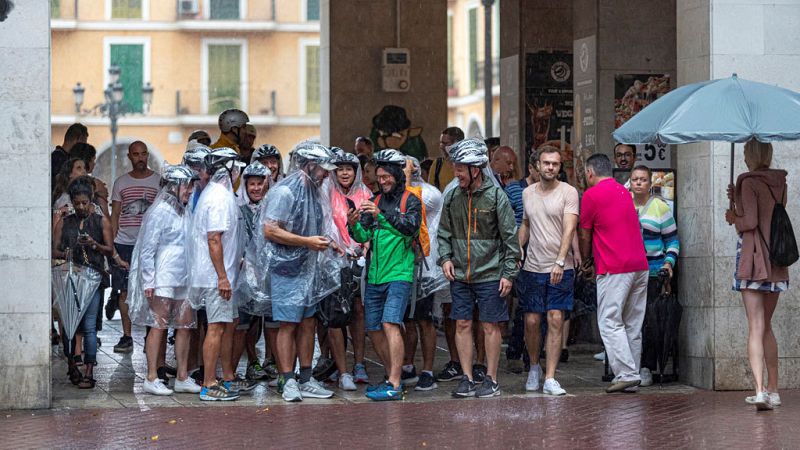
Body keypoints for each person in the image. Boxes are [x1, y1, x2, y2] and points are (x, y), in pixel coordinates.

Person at [438, 139, 520, 398]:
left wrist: (508, 273)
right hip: (460, 273)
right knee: (462, 322)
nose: (456, 175)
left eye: (460, 169)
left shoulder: (496, 197)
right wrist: (446, 258)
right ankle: (467, 377)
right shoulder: (452, 196)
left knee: (489, 325)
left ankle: (492, 379)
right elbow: (443, 233)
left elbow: (510, 239)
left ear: (476, 170)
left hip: (491, 273)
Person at [260, 141, 341, 402]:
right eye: (324, 169)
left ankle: (306, 378)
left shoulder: (316, 191)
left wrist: (331, 243)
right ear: (309, 166)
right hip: (286, 269)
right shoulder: (285, 192)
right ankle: (288, 379)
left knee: (308, 323)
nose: (328, 174)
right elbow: (270, 230)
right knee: (288, 324)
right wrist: (307, 242)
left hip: (309, 268)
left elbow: (315, 226)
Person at [347, 149, 422, 401]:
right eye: (379, 176)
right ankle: (392, 374)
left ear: (397, 175)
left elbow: (409, 229)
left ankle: (395, 383)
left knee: (391, 323)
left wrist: (383, 216)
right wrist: (352, 223)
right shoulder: (375, 200)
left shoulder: (410, 200)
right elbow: (363, 236)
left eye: (386, 176)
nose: (382, 180)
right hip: (375, 275)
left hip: (399, 273)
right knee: (373, 328)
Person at [127, 165, 203, 396]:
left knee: (185, 325)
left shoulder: (185, 210)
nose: (190, 190)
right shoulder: (159, 211)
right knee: (158, 326)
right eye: (187, 186)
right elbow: (147, 249)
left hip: (184, 277)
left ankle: (182, 376)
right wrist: (148, 281)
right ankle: (151, 376)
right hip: (162, 277)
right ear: (174, 186)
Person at [725, 140, 789, 411]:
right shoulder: (780, 182)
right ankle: (774, 390)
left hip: (752, 259)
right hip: (776, 261)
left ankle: (760, 390)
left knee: (756, 325)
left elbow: (749, 222)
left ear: (749, 155)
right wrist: (737, 197)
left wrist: (733, 215)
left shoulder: (747, 180)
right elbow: (770, 215)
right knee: (767, 327)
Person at [578, 153, 649, 393]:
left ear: (590, 173)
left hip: (614, 266)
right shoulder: (623, 191)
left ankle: (627, 374)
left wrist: (586, 260)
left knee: (609, 320)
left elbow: (585, 234)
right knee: (632, 323)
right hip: (640, 264)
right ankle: (632, 374)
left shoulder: (591, 195)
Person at [517, 146, 579, 396]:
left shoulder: (569, 192)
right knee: (531, 321)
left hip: (561, 266)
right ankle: (534, 366)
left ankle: (551, 377)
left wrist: (560, 261)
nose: (551, 167)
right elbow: (526, 223)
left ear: (560, 167)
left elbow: (569, 228)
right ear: (537, 166)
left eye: (555, 164)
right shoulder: (527, 193)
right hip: (532, 266)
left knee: (555, 318)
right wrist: (519, 247)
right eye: (546, 163)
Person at [187, 147, 246, 401]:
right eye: (236, 169)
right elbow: (214, 239)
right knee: (216, 327)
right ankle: (209, 384)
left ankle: (225, 378)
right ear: (227, 169)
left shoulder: (216, 193)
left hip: (219, 274)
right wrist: (222, 276)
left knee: (224, 325)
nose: (238, 174)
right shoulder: (219, 197)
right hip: (215, 277)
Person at [52, 176, 114, 389]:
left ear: (90, 201)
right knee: (70, 325)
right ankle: (72, 364)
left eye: (84, 203)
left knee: (89, 327)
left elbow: (110, 249)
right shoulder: (65, 222)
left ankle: (89, 370)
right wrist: (66, 252)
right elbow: (54, 249)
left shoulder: (100, 220)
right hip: (71, 278)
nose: (80, 207)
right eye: (77, 203)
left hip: (94, 278)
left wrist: (94, 244)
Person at [322, 150, 373, 390]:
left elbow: (373, 228)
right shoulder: (325, 191)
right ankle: (341, 370)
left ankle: (359, 363)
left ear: (356, 171)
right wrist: (335, 246)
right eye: (339, 168)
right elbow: (322, 224)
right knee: (334, 315)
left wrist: (364, 247)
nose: (344, 172)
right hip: (332, 260)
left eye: (349, 168)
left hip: (359, 260)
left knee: (358, 311)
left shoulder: (366, 194)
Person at [630, 165, 680, 387]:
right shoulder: (623, 205)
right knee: (628, 319)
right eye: (634, 179)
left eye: (642, 179)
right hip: (627, 270)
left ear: (650, 184)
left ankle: (646, 366)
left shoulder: (660, 207)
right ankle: (627, 365)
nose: (638, 183)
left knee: (649, 320)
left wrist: (669, 263)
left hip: (652, 271)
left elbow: (672, 240)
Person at [109, 141, 161, 354]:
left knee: (151, 290)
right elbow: (116, 214)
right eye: (136, 154)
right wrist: (112, 244)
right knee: (124, 291)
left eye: (143, 154)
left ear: (147, 155)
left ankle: (151, 333)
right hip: (124, 243)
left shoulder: (159, 181)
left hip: (150, 244)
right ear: (129, 157)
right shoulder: (121, 183)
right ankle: (127, 335)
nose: (140, 158)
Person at [402, 156, 447, 392]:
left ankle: (428, 370)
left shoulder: (430, 194)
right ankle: (408, 365)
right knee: (407, 320)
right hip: (404, 265)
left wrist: (406, 176)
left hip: (427, 268)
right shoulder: (400, 190)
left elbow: (409, 205)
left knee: (424, 320)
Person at [232, 161, 275, 383]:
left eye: (260, 184)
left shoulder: (274, 210)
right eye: (252, 184)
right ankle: (240, 367)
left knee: (272, 323)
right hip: (246, 276)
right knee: (244, 324)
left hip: (271, 274)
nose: (256, 188)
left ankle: (274, 363)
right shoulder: (240, 212)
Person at [503, 149, 540, 372]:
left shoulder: (550, 191)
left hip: (543, 252)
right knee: (525, 306)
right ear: (531, 168)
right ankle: (518, 350)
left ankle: (530, 353)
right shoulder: (515, 190)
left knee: (536, 308)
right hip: (521, 251)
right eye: (540, 167)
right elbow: (506, 221)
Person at [211, 108, 250, 191]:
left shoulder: (235, 148)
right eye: (243, 127)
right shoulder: (216, 152)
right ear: (234, 129)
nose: (245, 131)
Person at [70, 143, 110, 217]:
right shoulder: (94, 183)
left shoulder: (64, 180)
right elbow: (104, 194)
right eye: (93, 160)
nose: (94, 164)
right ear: (87, 160)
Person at [428, 126, 464, 191]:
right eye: (441, 143)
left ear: (457, 144)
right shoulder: (437, 164)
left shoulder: (467, 164)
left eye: (445, 143)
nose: (441, 146)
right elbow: (431, 190)